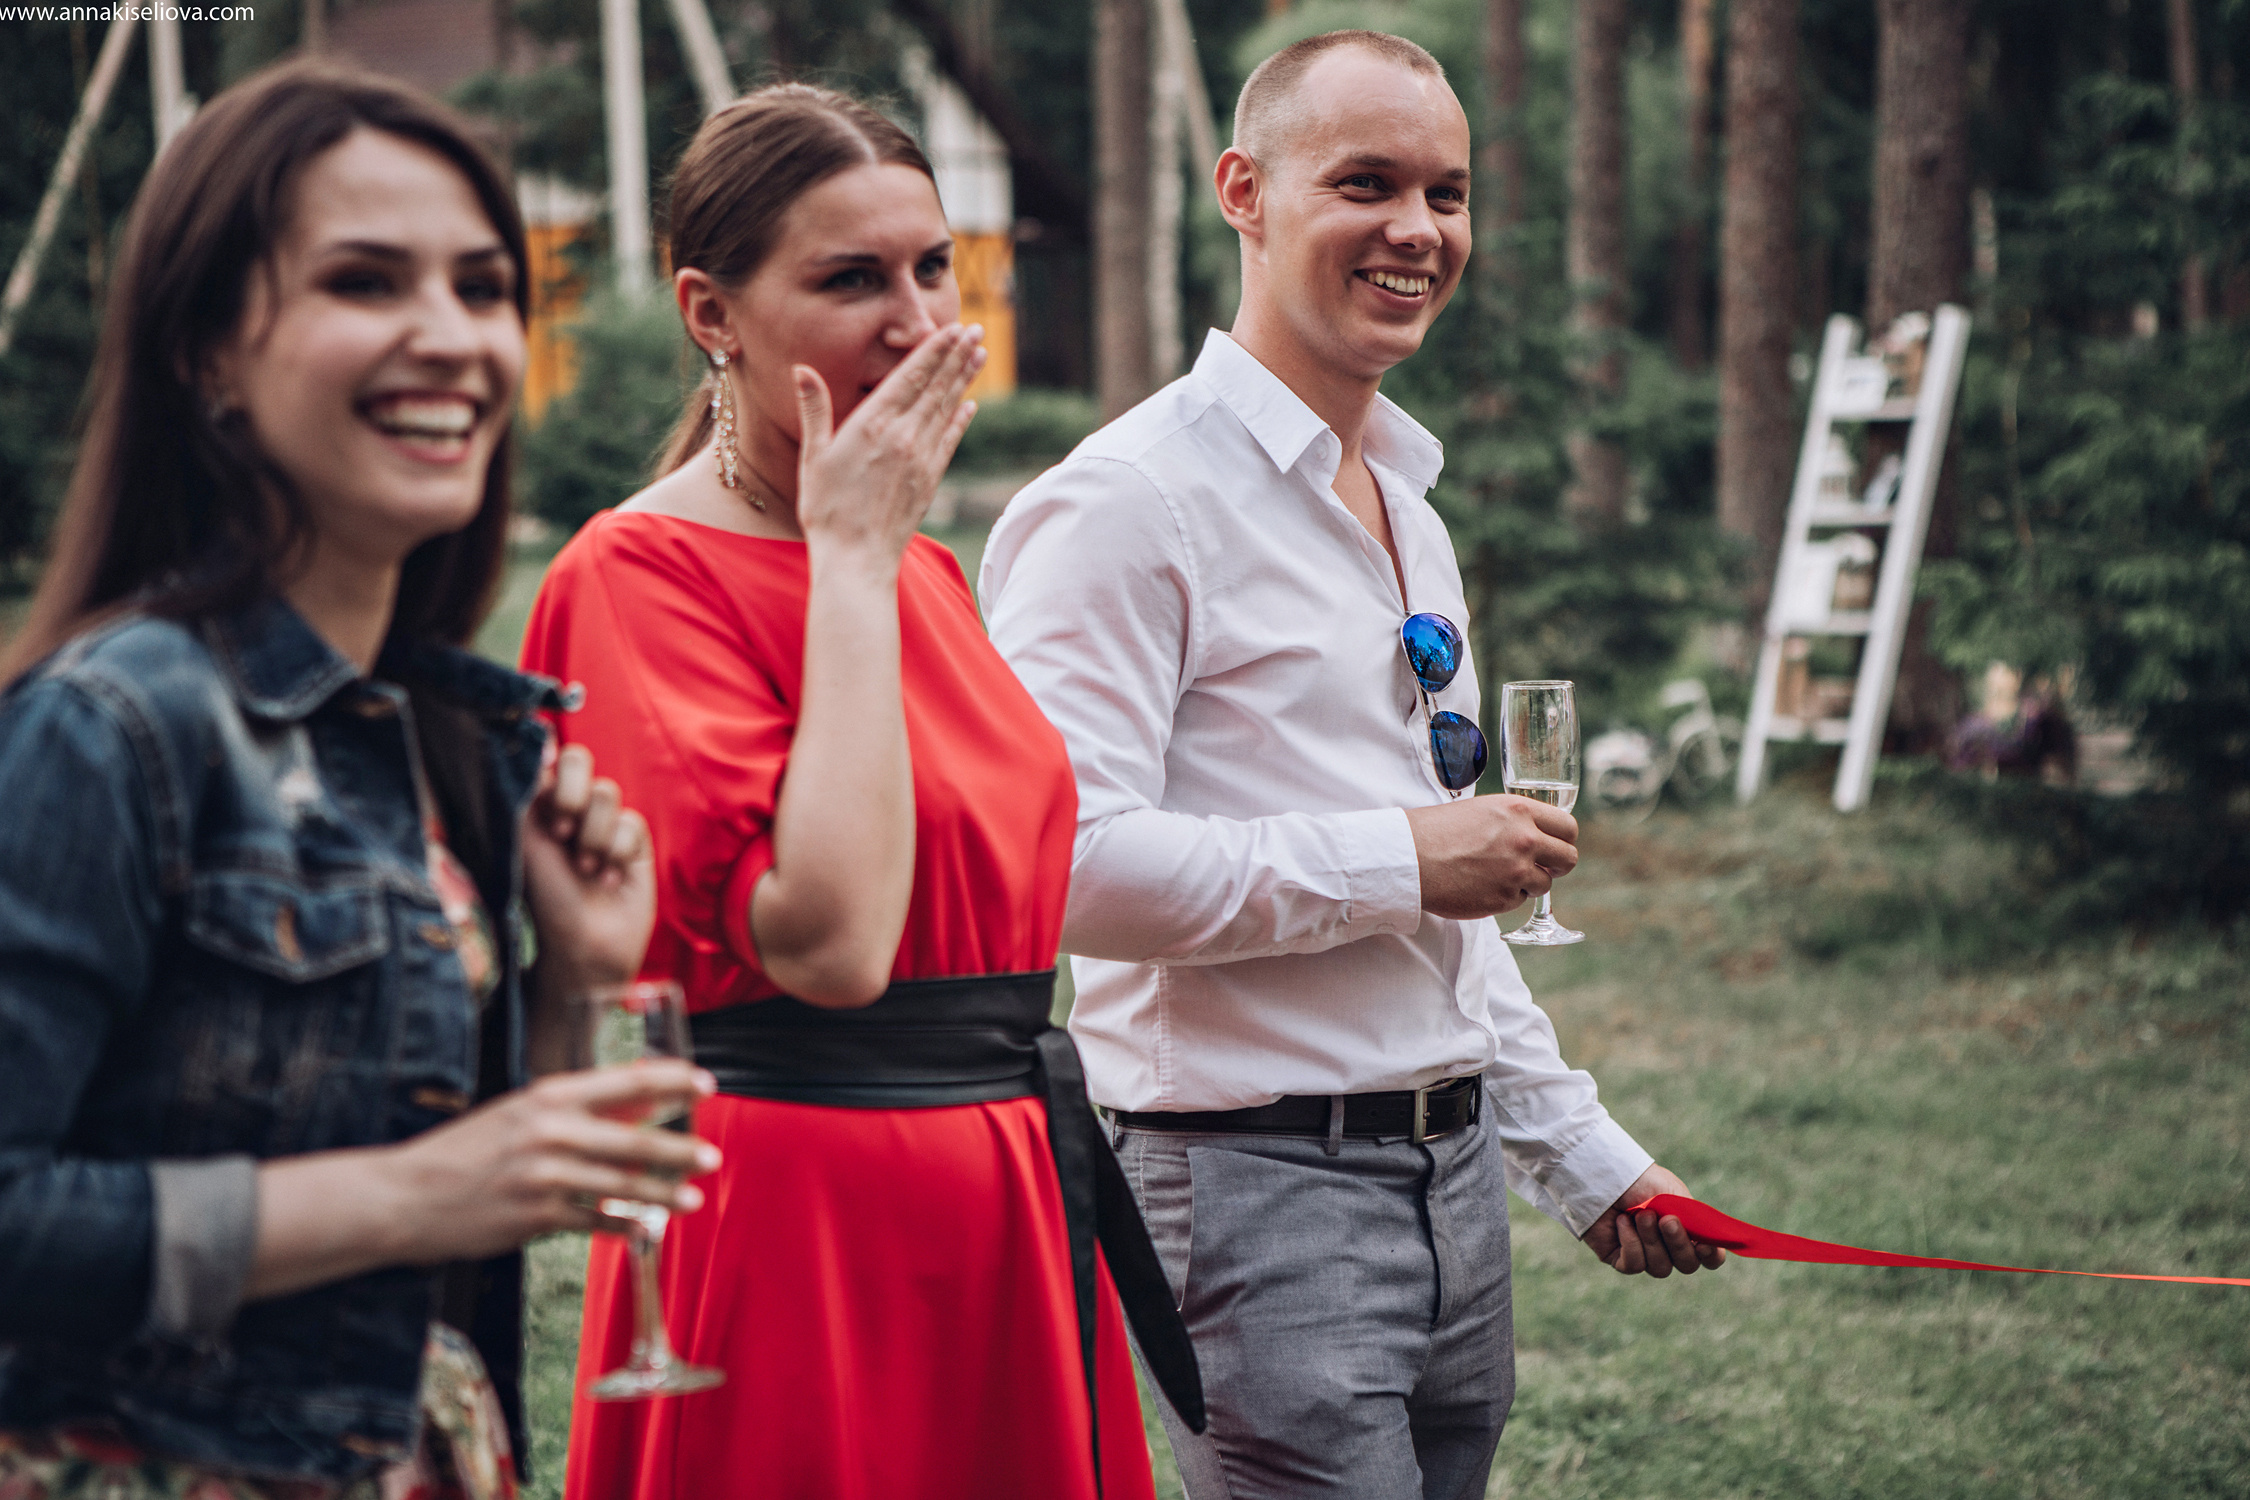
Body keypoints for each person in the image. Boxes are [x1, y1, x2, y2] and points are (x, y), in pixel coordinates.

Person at [981, 31, 1725, 1500]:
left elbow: (1442, 928)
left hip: (1451, 1183)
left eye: (1446, 193)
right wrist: (1405, 856)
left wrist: (1583, 1160)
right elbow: (1060, 867)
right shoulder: (1127, 505)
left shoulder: (1406, 502)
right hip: (1248, 1191)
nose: (1418, 230)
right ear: (1242, 192)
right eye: (1366, 183)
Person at [0, 62, 716, 1499]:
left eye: (482, 286)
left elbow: (450, 1215)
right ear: (207, 351)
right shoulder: (115, 725)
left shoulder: (439, 731)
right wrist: (411, 1193)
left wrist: (574, 978)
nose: (449, 336)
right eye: (365, 282)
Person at [520, 83, 1200, 1500]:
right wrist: (846, 562)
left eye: (932, 268)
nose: (914, 319)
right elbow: (828, 947)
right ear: (712, 313)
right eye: (849, 280)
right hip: (797, 1219)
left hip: (1008, 1191)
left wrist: (868, 557)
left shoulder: (927, 574)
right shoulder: (637, 575)